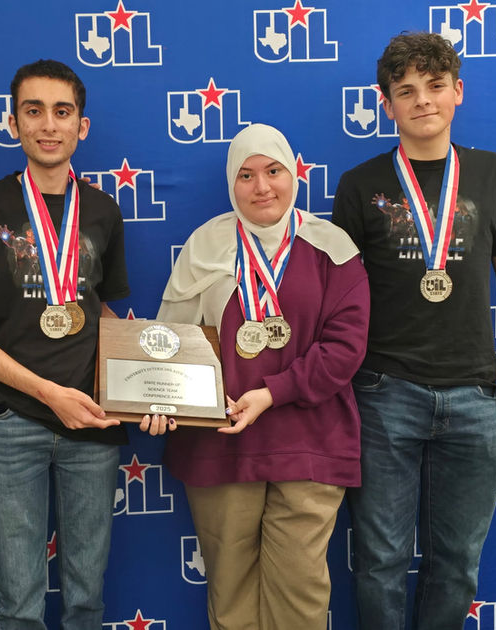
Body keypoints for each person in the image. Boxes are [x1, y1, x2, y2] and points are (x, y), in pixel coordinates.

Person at [332, 32, 496, 629]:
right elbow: (341, 296)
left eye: (435, 85)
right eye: (405, 90)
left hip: (476, 395)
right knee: (380, 561)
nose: (422, 99)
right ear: (386, 105)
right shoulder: (360, 184)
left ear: (458, 92)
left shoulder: (493, 173)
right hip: (383, 393)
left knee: (456, 564)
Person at [0, 59, 129, 630]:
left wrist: (145, 389)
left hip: (92, 420)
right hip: (11, 422)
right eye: (33, 111)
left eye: (62, 112)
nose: (48, 124)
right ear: (13, 123)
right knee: (19, 602)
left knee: (87, 596)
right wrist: (48, 393)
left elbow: (104, 314)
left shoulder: (104, 211)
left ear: (82, 126)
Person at [151, 123, 369, 630]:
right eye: (246, 175)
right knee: (230, 598)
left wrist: (272, 393)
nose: (262, 187)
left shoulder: (332, 247)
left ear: (293, 174)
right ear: (231, 183)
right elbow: (170, 343)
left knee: (299, 595)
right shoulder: (204, 245)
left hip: (309, 443)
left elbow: (345, 348)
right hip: (220, 443)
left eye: (273, 171)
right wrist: (159, 399)